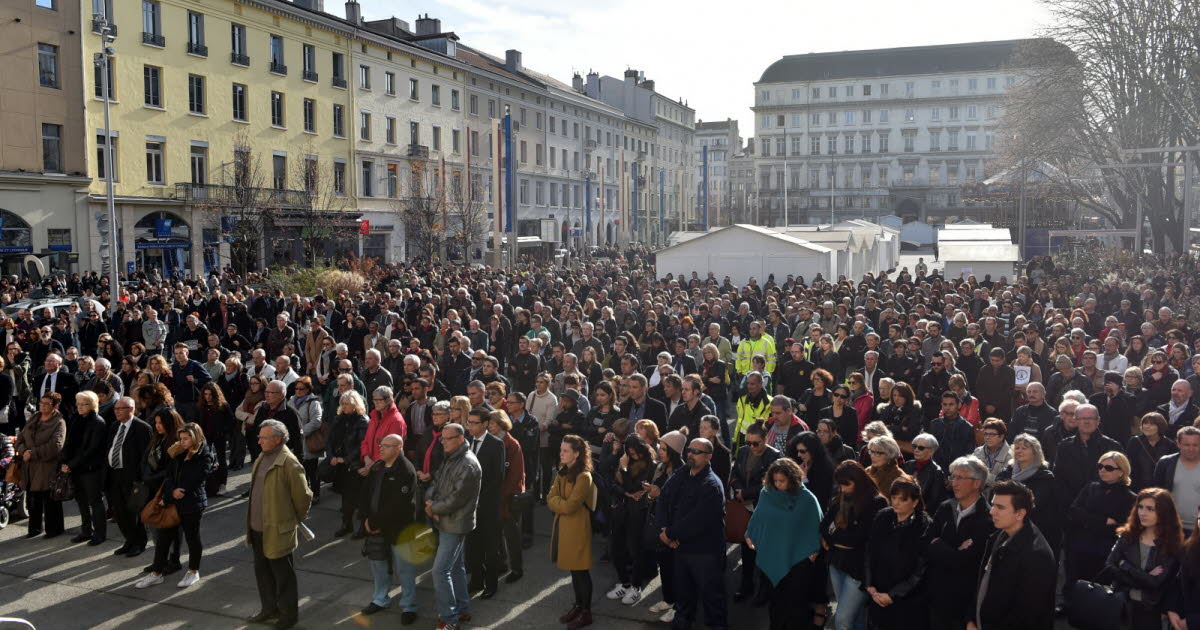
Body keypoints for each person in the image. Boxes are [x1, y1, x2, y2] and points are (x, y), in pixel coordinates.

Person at [245, 419, 313, 630]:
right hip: (257, 528)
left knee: (283, 576)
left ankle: (288, 616)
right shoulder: (262, 457)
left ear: (277, 439)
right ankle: (269, 609)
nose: (259, 441)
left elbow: (304, 497)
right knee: (263, 572)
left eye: (263, 437)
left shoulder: (289, 463)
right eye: (259, 436)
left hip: (278, 530)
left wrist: (292, 519)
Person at [657, 436, 729, 630]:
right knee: (683, 603)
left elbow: (698, 520)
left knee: (712, 604)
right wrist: (664, 530)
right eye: (689, 450)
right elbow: (663, 497)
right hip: (681, 549)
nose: (691, 454)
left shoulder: (712, 485)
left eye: (697, 452)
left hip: (705, 553)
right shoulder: (683, 472)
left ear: (709, 457)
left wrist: (669, 534)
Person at [745, 458, 823, 630]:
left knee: (796, 605)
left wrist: (813, 548)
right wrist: (750, 534)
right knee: (776, 603)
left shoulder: (806, 498)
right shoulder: (766, 493)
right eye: (775, 481)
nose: (778, 484)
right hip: (772, 555)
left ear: (793, 478)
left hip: (798, 560)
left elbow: (815, 524)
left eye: (782, 481)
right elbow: (758, 518)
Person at [968, 480, 1057, 630]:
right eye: (993, 504)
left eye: (1000, 507)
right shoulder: (997, 536)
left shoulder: (1037, 555)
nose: (992, 511)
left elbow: (1027, 615)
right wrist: (971, 619)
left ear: (1020, 513)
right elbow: (982, 582)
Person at [136, 422, 214, 589]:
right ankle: (157, 573)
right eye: (181, 438)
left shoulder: (204, 455)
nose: (183, 441)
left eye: (186, 438)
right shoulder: (178, 453)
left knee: (192, 538)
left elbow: (197, 478)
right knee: (163, 539)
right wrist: (171, 494)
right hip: (173, 502)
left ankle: (193, 571)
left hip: (192, 503)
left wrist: (180, 491)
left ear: (195, 437)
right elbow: (169, 477)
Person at [924, 456, 994, 630]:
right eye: (953, 477)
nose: (953, 482)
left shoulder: (987, 518)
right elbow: (925, 542)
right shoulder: (945, 507)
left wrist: (938, 545)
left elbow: (968, 560)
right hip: (937, 594)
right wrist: (954, 552)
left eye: (960, 478)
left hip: (964, 600)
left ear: (977, 483)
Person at [358, 433, 420, 626]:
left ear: (398, 448)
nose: (381, 448)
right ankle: (380, 599)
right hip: (375, 526)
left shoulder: (406, 471)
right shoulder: (377, 467)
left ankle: (409, 606)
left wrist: (375, 522)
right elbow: (366, 494)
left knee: (405, 569)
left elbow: (398, 505)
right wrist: (367, 519)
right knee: (378, 565)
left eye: (386, 446)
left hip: (399, 529)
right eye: (381, 445)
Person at [425, 422, 481, 630]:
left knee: (440, 571)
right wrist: (431, 502)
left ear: (459, 439)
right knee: (456, 567)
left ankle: (449, 619)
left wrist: (434, 509)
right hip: (445, 520)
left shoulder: (467, 464)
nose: (442, 442)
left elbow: (457, 498)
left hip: (455, 524)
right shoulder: (452, 457)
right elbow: (436, 482)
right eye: (442, 438)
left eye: (447, 439)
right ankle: (463, 609)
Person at [821, 460, 888, 630]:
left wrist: (833, 538)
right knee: (856, 618)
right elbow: (823, 526)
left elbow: (857, 538)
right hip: (837, 563)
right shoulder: (840, 498)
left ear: (858, 480)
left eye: (846, 484)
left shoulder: (876, 502)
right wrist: (837, 539)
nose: (843, 488)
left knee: (842, 619)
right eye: (840, 484)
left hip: (858, 569)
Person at [1105, 487, 1184, 630]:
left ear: (1164, 512)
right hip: (1122, 605)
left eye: (1150, 509)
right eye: (1140, 507)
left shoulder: (1172, 545)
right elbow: (1110, 566)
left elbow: (1155, 583)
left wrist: (1125, 566)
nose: (1142, 512)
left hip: (1151, 611)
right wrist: (1144, 577)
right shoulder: (1128, 536)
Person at [1064, 451, 1137, 600]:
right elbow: (1073, 512)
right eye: (1100, 466)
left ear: (1121, 472)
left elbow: (1122, 526)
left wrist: (1088, 519)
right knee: (1074, 580)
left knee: (1099, 588)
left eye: (1109, 468)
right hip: (1080, 545)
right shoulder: (1090, 487)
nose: (1102, 470)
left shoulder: (1130, 497)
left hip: (1105, 549)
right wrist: (1103, 520)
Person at [864, 478, 932, 630]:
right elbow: (869, 551)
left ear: (915, 502)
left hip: (908, 600)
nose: (896, 503)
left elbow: (921, 569)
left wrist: (894, 595)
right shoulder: (883, 517)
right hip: (878, 593)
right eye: (894, 497)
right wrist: (869, 584)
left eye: (903, 499)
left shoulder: (924, 526)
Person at [549, 434, 597, 629]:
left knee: (581, 571)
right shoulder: (563, 470)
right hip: (564, 526)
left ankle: (586, 612)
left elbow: (570, 506)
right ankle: (578, 605)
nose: (561, 454)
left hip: (577, 528)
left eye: (565, 451)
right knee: (573, 571)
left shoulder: (584, 476)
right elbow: (550, 496)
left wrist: (557, 503)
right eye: (561, 450)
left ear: (576, 454)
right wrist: (559, 503)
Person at [729, 421, 779, 602]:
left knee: (763, 550)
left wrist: (747, 492)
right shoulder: (742, 451)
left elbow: (771, 484)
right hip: (744, 508)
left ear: (765, 440)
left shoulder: (774, 456)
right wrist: (738, 490)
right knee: (746, 549)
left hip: (763, 508)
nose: (751, 447)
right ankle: (746, 585)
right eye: (748, 442)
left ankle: (764, 590)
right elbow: (734, 474)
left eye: (755, 443)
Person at [607, 435, 656, 606]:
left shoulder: (650, 464)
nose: (633, 455)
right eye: (630, 453)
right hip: (621, 510)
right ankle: (624, 583)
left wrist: (625, 471)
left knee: (635, 550)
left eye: (635, 453)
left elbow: (635, 487)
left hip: (637, 514)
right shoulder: (624, 462)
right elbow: (613, 485)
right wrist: (627, 493)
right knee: (616, 549)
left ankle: (635, 587)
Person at [995, 433, 1063, 556]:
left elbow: (1035, 504)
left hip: (1035, 530)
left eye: (1024, 448)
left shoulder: (1045, 477)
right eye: (1017, 448)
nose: (1019, 451)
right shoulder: (1006, 473)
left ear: (1035, 452)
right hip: (1006, 528)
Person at [645, 429, 686, 623]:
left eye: (663, 449)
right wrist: (652, 493)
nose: (660, 452)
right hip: (659, 524)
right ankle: (668, 600)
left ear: (674, 452)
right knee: (665, 568)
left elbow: (678, 502)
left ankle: (678, 606)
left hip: (673, 527)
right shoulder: (661, 467)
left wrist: (659, 493)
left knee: (676, 569)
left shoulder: (681, 473)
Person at [464, 407, 505, 599]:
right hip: (469, 506)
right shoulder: (466, 441)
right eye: (469, 422)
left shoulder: (496, 444)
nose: (469, 426)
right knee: (473, 546)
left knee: (490, 547)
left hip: (487, 506)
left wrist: (479, 500)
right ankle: (476, 580)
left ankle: (491, 584)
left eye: (474, 423)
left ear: (486, 424)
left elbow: (497, 478)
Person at [14, 392, 66, 538]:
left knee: (49, 499)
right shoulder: (34, 417)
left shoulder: (59, 422)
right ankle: (34, 528)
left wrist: (33, 453)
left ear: (55, 406)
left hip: (46, 465)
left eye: (46, 404)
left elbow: (56, 445)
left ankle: (54, 529)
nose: (42, 406)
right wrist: (24, 450)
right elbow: (20, 439)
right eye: (41, 403)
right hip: (29, 465)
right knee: (32, 498)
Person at [105, 396, 151, 556]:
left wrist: (140, 479)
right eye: (115, 409)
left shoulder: (142, 428)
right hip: (114, 474)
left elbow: (145, 456)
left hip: (132, 477)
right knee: (119, 512)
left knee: (134, 513)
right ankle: (129, 541)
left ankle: (139, 542)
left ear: (131, 409)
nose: (116, 411)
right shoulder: (114, 426)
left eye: (120, 409)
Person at [1055, 403, 1124, 509]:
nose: (1086, 422)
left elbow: (1121, 478)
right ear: (1076, 421)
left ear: (1098, 421)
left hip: (1103, 506)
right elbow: (1059, 478)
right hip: (1070, 507)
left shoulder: (1112, 446)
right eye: (1082, 418)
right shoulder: (1064, 447)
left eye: (1091, 418)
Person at [62, 391, 108, 546]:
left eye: (84, 404)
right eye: (78, 403)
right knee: (81, 500)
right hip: (76, 467)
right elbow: (69, 443)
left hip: (91, 468)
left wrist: (71, 464)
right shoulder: (76, 419)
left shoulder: (98, 422)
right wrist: (65, 461)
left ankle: (100, 534)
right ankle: (86, 531)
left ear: (92, 405)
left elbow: (91, 449)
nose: (80, 407)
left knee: (95, 501)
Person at [488, 409, 526, 584]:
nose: (489, 426)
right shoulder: (492, 442)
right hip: (496, 498)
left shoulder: (513, 445)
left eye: (493, 424)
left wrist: (503, 496)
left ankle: (517, 569)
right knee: (495, 534)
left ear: (501, 424)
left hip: (509, 498)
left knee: (512, 536)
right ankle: (501, 563)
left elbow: (516, 476)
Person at [328, 391, 370, 537]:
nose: (344, 406)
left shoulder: (362, 421)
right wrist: (332, 455)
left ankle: (363, 527)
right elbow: (331, 439)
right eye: (342, 403)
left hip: (355, 464)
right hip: (341, 465)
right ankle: (347, 524)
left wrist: (345, 459)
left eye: (347, 404)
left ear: (355, 404)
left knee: (359, 497)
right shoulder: (339, 419)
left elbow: (362, 445)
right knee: (345, 497)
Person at [1152, 425, 1200, 535]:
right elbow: (1156, 493)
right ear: (1178, 444)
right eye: (1187, 445)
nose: (1191, 449)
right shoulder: (1166, 463)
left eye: (1195, 445)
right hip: (1172, 526)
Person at [286, 377, 323, 504]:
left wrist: (301, 432)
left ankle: (315, 494)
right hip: (294, 442)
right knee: (299, 470)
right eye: (296, 388)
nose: (298, 391)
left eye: (301, 389)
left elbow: (317, 421)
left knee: (312, 470)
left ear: (308, 389)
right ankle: (303, 494)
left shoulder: (314, 402)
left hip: (308, 442)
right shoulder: (291, 401)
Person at [195, 382, 234, 496]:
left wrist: (223, 432)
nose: (207, 397)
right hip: (205, 437)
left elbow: (231, 421)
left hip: (219, 437)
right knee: (205, 460)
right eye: (205, 394)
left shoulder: (223, 406)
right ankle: (206, 484)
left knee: (222, 460)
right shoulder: (200, 406)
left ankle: (222, 485)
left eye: (210, 394)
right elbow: (196, 421)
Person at [1127, 412, 1177, 491]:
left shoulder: (1169, 445)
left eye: (1152, 424)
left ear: (1160, 426)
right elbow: (1129, 464)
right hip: (1137, 487)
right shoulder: (1135, 441)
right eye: (1145, 423)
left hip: (1160, 488)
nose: (1147, 426)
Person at [928, 391, 975, 469]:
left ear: (959, 405)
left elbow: (969, 454)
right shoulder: (934, 424)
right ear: (941, 405)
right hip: (935, 467)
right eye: (945, 404)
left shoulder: (967, 427)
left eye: (951, 404)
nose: (947, 407)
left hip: (958, 469)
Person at [903, 433, 947, 511]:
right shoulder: (907, 465)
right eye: (914, 446)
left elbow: (934, 501)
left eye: (921, 448)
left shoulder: (937, 472)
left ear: (931, 451)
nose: (916, 450)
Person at [864, 435, 911, 500]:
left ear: (890, 455)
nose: (872, 456)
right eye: (871, 452)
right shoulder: (868, 471)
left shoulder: (900, 478)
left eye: (878, 453)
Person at [972, 418, 1011, 489]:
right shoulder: (978, 451)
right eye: (986, 434)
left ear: (1001, 437)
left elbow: (1003, 482)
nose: (987, 437)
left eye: (992, 434)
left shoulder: (1010, 456)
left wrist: (980, 476)